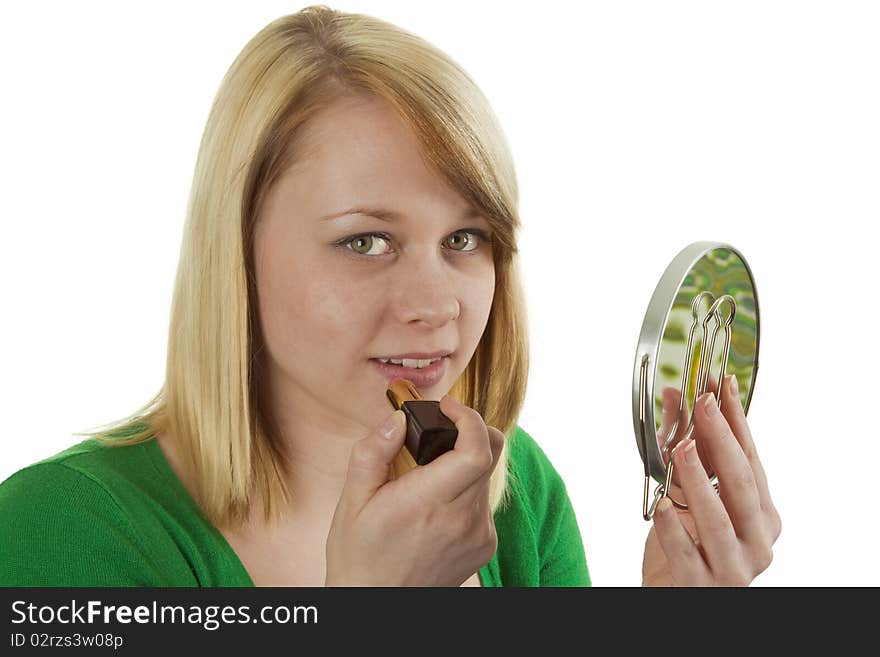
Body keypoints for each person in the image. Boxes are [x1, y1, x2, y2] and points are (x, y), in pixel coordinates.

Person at [0, 5, 779, 587]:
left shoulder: (517, 493)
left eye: (465, 238)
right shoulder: (60, 530)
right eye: (366, 241)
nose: (437, 305)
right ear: (234, 251)